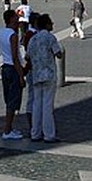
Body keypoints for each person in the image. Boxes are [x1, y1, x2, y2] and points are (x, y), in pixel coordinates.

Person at [26, 14, 64, 143]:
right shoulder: (50, 37)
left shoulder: (33, 39)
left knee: (36, 105)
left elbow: (27, 56)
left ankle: (35, 133)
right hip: (48, 75)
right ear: (46, 25)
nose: (52, 25)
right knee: (47, 106)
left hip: (36, 75)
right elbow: (58, 54)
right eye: (51, 23)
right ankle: (49, 135)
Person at [0, 9, 26, 140]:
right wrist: (21, 76)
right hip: (13, 69)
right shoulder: (13, 36)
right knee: (13, 101)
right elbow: (15, 57)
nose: (18, 20)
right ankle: (7, 130)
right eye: (16, 18)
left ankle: (9, 128)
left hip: (5, 68)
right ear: (10, 19)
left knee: (9, 99)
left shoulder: (1, 32)